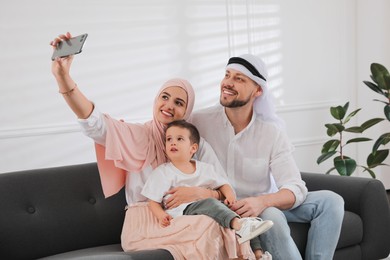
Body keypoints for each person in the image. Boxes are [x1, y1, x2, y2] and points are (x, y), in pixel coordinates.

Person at [50, 32, 252, 259]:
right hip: (146, 223)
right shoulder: (138, 135)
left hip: (186, 217)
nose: (168, 106)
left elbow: (223, 187)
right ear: (156, 100)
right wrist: (62, 77)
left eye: (179, 102)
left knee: (221, 224)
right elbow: (94, 123)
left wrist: (199, 192)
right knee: (212, 226)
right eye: (164, 97)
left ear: (187, 111)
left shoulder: (197, 145)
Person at [188, 54, 345, 260]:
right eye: (227, 75)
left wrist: (261, 202)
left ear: (258, 91)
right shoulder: (199, 122)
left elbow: (294, 187)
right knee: (272, 216)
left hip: (260, 203)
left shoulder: (270, 132)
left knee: (331, 201)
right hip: (224, 209)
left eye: (239, 79)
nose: (228, 82)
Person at [141, 120, 273, 245]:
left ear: (193, 148)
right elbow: (153, 201)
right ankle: (238, 225)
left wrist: (230, 196)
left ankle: (257, 253)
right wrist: (161, 215)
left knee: (240, 212)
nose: (173, 143)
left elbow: (223, 184)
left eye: (179, 139)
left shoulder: (205, 168)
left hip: (207, 207)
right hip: (182, 211)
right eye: (169, 139)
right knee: (210, 203)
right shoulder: (162, 172)